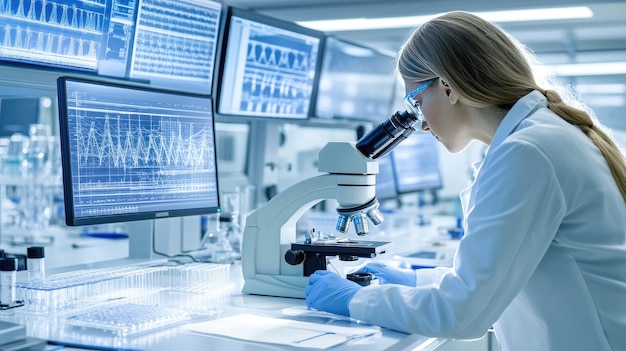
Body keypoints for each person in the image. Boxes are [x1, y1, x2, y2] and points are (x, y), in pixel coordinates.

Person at [305, 11, 626, 351]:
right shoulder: (539, 136)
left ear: (448, 86)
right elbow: (499, 281)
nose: (423, 125)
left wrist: (356, 301)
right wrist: (416, 279)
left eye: (417, 103)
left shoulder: (528, 152)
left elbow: (463, 314)